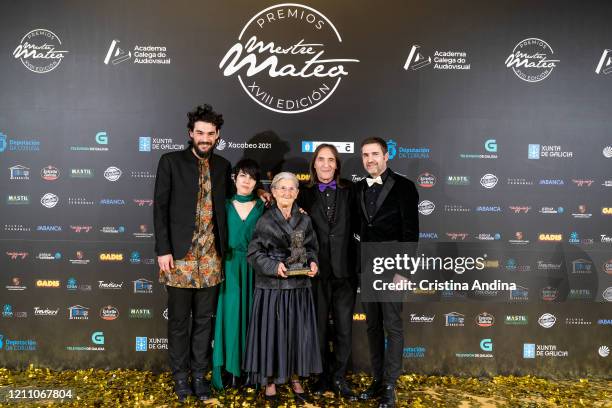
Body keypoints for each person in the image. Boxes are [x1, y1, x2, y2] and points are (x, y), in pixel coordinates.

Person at [153, 105, 269, 402]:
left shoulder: (223, 165)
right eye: (200, 132)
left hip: (212, 259)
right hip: (179, 258)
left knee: (205, 322)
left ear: (217, 136)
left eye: (211, 133)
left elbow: (238, 195)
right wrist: (163, 250)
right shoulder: (170, 162)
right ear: (190, 133)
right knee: (179, 322)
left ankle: (199, 377)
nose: (205, 138)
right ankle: (180, 378)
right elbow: (160, 209)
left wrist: (264, 193)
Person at [244, 172, 322, 403]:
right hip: (272, 288)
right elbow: (254, 253)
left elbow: (312, 249)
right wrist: (273, 266)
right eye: (282, 188)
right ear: (274, 192)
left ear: (297, 193)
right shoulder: (265, 219)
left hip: (299, 286)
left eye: (292, 189)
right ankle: (269, 379)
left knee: (298, 334)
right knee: (272, 335)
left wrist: (313, 263)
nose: (287, 193)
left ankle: (295, 376)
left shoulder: (305, 220)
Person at [355, 137, 419, 408]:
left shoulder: (404, 187)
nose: (370, 159)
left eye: (375, 154)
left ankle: (390, 387)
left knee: (392, 326)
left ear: (386, 156)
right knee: (372, 326)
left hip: (394, 266)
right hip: (367, 266)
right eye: (365, 155)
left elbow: (411, 232)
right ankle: (377, 380)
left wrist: (403, 271)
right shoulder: (357, 188)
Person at [296, 144, 358, 400]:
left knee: (344, 328)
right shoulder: (303, 194)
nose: (325, 165)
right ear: (314, 164)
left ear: (336, 165)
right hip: (315, 272)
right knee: (318, 328)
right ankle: (321, 377)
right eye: (321, 159)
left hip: (346, 270)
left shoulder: (351, 191)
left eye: (330, 160)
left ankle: (339, 377)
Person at [211, 159, 265, 390]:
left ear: (256, 183)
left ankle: (251, 371)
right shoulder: (222, 205)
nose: (246, 181)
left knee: (254, 319)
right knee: (231, 319)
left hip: (257, 268)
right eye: (242, 175)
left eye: (252, 177)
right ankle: (231, 371)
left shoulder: (264, 206)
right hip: (230, 267)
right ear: (234, 178)